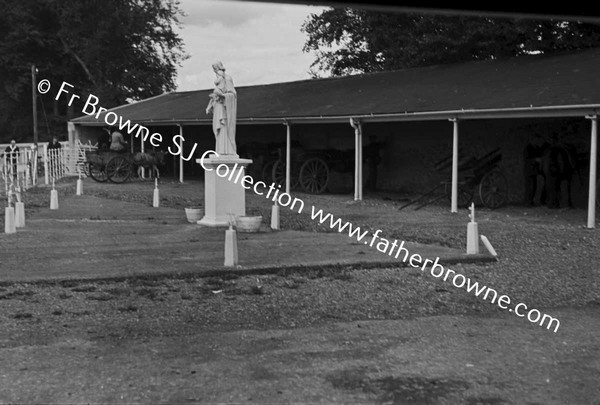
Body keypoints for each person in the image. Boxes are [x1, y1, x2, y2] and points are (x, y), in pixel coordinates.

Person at [206, 61, 237, 155]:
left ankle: (226, 150)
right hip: (218, 108)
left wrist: (223, 95)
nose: (215, 72)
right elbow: (215, 96)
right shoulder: (219, 81)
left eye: (216, 69)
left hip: (225, 109)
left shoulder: (227, 79)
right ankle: (220, 150)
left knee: (223, 127)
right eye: (214, 70)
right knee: (217, 129)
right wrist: (210, 105)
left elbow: (233, 95)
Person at [523, 133, 548, 206]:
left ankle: (531, 201)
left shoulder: (536, 148)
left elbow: (541, 154)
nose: (537, 141)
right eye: (536, 140)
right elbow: (526, 160)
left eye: (537, 140)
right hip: (529, 171)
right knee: (529, 187)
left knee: (534, 187)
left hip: (534, 171)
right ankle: (527, 202)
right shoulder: (527, 148)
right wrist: (535, 159)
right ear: (532, 140)